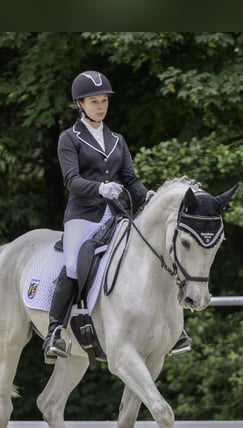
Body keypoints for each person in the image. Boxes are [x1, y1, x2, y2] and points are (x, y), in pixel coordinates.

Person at [43, 70, 191, 362]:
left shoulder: (116, 139)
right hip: (83, 216)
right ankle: (54, 331)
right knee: (73, 265)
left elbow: (130, 179)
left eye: (104, 101)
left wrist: (145, 195)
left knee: (156, 257)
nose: (101, 106)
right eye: (94, 102)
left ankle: (173, 331)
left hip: (116, 216)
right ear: (80, 104)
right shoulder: (68, 138)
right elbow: (71, 180)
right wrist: (99, 188)